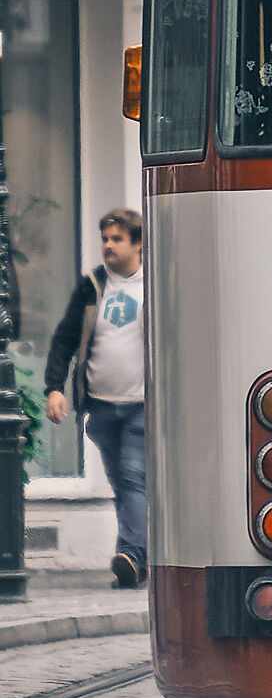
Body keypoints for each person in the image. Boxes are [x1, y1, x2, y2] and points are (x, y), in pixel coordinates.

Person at [44, 209, 147, 588]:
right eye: (104, 238)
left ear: (137, 243)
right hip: (101, 404)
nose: (107, 246)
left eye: (117, 239)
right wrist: (54, 388)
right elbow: (65, 338)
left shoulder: (153, 283)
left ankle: (132, 555)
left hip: (142, 405)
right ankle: (138, 556)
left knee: (134, 476)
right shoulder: (92, 285)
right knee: (122, 482)